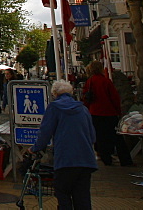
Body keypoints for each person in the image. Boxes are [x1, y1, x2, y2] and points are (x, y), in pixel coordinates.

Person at [31, 79, 98, 209]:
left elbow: (45, 132)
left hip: (65, 159)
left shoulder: (54, 107)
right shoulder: (83, 109)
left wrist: (36, 148)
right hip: (85, 159)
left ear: (55, 94)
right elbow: (92, 136)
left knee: (63, 193)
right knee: (83, 196)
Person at [82, 59, 133, 166]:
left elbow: (85, 98)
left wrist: (87, 110)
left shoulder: (90, 82)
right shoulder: (106, 81)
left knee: (100, 137)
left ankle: (106, 158)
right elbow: (114, 97)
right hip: (109, 112)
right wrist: (118, 111)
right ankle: (125, 160)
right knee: (117, 137)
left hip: (95, 113)